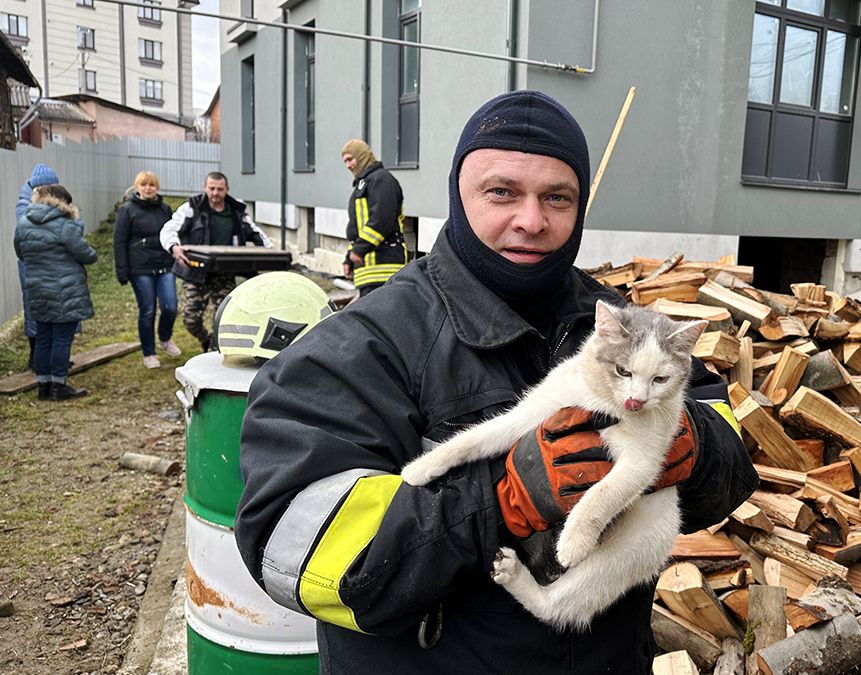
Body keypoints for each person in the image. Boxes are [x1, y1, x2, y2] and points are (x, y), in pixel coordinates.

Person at [234, 91, 758, 673]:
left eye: (557, 197)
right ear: (458, 196)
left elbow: (734, 453)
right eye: (502, 192)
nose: (531, 221)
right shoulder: (364, 344)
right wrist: (495, 502)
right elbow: (291, 550)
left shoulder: (616, 324)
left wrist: (694, 445)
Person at [159, 171, 272, 350]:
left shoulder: (237, 211)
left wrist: (271, 254)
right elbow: (169, 229)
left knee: (225, 317)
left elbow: (258, 234)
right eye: (211, 188)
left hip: (225, 273)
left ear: (227, 189)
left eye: (220, 189)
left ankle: (214, 350)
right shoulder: (192, 207)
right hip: (196, 272)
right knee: (191, 319)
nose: (215, 193)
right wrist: (174, 247)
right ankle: (206, 339)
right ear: (205, 188)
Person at [14, 184, 96, 401]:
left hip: (37, 289)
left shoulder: (23, 224)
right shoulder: (65, 224)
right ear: (61, 202)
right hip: (65, 289)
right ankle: (59, 386)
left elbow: (20, 252)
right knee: (61, 338)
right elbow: (86, 254)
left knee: (43, 338)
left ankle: (43, 386)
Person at [114, 171, 180, 369]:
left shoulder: (165, 209)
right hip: (140, 268)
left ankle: (165, 338)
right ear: (137, 187)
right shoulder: (127, 210)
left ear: (156, 187)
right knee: (148, 310)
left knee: (170, 307)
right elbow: (120, 241)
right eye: (144, 185)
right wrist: (122, 270)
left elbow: (173, 234)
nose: (148, 188)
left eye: (151, 185)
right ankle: (149, 353)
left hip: (164, 265)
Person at [340, 139, 409, 297]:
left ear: (362, 155)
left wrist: (358, 250)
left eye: (350, 159)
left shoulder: (382, 180)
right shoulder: (363, 184)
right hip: (370, 273)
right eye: (345, 162)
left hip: (385, 267)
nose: (348, 166)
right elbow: (359, 227)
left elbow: (381, 219)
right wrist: (349, 259)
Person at [14, 163, 60, 371]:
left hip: (52, 265)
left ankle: (52, 358)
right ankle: (36, 358)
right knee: (35, 312)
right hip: (32, 266)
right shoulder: (24, 205)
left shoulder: (55, 201)